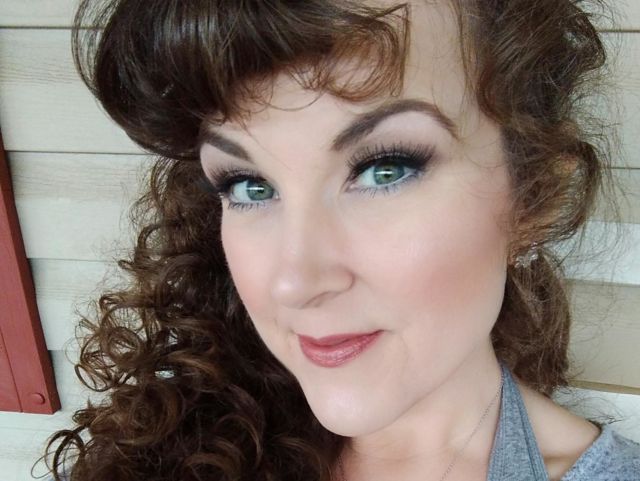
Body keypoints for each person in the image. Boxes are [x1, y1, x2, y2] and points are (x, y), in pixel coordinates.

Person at [41, 0, 640, 480]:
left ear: (535, 198)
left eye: (385, 169)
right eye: (249, 186)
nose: (294, 282)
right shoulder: (170, 440)